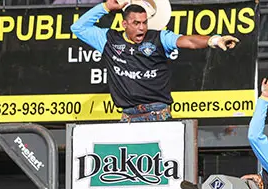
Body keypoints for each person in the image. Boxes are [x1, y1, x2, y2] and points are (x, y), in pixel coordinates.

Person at [71, 0, 239, 122]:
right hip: (128, 116)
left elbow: (187, 41)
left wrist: (214, 40)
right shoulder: (108, 39)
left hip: (157, 113)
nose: (142, 28)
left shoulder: (159, 37)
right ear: (124, 24)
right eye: (136, 23)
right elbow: (78, 28)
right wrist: (106, 6)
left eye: (144, 23)